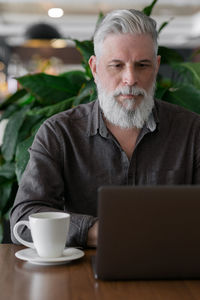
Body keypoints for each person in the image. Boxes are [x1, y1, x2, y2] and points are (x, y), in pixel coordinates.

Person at [10, 9, 200, 248]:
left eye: (142, 65)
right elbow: (24, 218)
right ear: (95, 68)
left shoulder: (192, 131)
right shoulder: (59, 133)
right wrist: (102, 232)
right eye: (117, 65)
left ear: (156, 66)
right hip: (81, 278)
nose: (130, 79)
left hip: (174, 276)